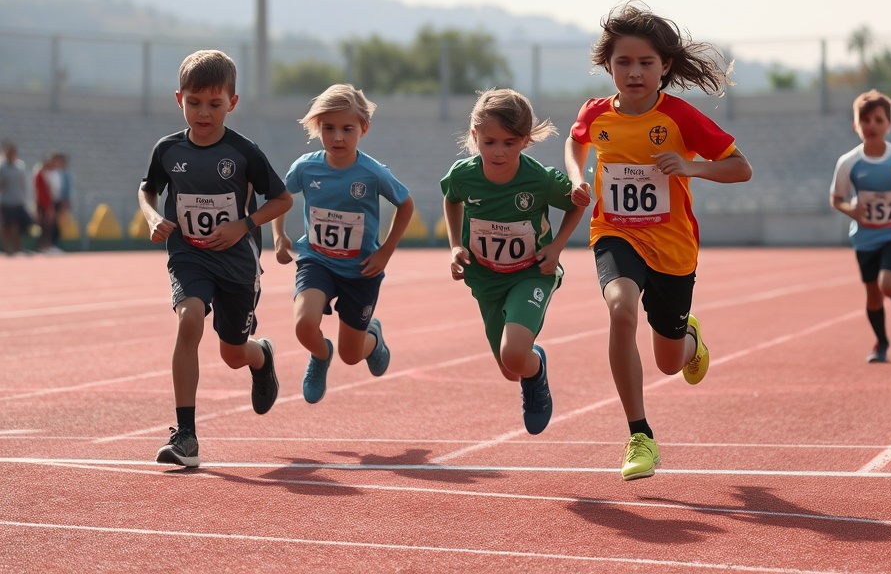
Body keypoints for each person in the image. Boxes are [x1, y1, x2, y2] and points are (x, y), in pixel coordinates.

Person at [564, 1, 752, 480]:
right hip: (614, 233)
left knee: (669, 362)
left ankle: (689, 338)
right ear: (608, 65)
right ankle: (639, 435)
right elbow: (577, 139)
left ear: (664, 66)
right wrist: (575, 177)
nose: (634, 72)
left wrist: (692, 166)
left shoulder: (680, 119)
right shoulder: (597, 113)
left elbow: (740, 168)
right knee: (621, 309)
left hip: (672, 247)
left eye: (646, 63)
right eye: (623, 62)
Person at [138, 49, 293, 468]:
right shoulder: (167, 150)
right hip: (189, 254)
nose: (203, 113)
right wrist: (153, 216)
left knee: (232, 352)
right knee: (189, 317)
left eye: (214, 104)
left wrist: (244, 225)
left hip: (237, 263)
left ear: (232, 103)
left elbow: (282, 199)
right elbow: (148, 189)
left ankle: (261, 356)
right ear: (179, 99)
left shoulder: (244, 152)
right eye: (194, 103)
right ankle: (185, 435)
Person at [441, 88, 587, 436]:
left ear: (525, 141)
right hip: (486, 280)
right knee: (511, 368)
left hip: (531, 274)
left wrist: (557, 248)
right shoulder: (464, 175)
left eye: (510, 142)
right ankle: (532, 368)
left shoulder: (539, 179)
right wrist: (454, 245)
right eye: (489, 142)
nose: (498, 152)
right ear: (475, 137)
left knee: (514, 352)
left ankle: (534, 375)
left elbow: (576, 204)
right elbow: (451, 198)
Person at [272, 84, 414, 404]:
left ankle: (373, 339)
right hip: (317, 260)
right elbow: (280, 198)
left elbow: (406, 205)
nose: (337, 137)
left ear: (363, 129)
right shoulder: (307, 167)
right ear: (317, 128)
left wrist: (385, 252)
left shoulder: (373, 172)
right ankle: (321, 356)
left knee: (352, 355)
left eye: (347, 129)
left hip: (360, 269)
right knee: (304, 324)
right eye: (328, 128)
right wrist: (278, 236)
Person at [829, 89, 891, 363]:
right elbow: (836, 198)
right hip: (865, 237)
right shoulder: (848, 163)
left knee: (888, 283)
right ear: (856, 126)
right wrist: (852, 210)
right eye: (865, 120)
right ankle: (881, 343)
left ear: (889, 125)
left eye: (878, 120)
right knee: (873, 295)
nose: (871, 125)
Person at [0, 141, 34, 255]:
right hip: (6, 202)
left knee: (19, 226)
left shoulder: (20, 166)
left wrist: (26, 200)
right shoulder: (2, 167)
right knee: (7, 226)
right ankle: (8, 248)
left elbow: (24, 185)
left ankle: (18, 247)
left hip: (18, 201)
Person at [32, 155, 58, 253]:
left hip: (47, 203)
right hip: (42, 204)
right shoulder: (39, 175)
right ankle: (42, 246)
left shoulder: (47, 175)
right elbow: (38, 192)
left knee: (48, 226)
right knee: (43, 226)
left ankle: (48, 245)